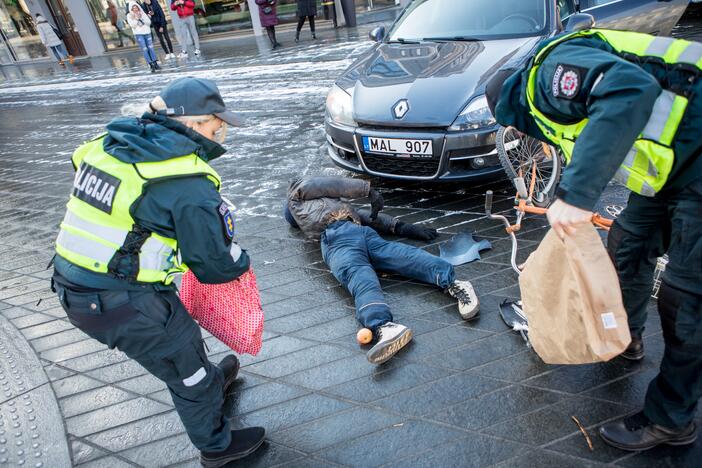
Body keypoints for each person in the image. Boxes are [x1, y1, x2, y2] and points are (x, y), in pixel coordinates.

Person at [485, 29, 702, 452]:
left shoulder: (544, 80)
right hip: (674, 165)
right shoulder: (553, 94)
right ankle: (625, 336)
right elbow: (611, 132)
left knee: (687, 299)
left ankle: (670, 419)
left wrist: (575, 196)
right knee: (628, 244)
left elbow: (631, 90)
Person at [51, 77, 265, 467]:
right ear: (193, 123)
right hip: (121, 300)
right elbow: (215, 265)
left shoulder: (107, 144)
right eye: (217, 123)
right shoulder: (185, 182)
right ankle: (217, 447)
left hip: (73, 282)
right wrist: (241, 262)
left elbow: (80, 163)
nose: (222, 131)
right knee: (184, 366)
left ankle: (208, 378)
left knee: (180, 339)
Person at [284, 176, 479, 364]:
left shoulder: (299, 190)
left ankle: (455, 284)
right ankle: (384, 326)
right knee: (362, 275)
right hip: (340, 238)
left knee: (399, 257)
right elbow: (357, 210)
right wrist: (369, 193)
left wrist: (401, 226)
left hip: (357, 233)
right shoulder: (301, 204)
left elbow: (331, 189)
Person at [126, 1, 160, 72]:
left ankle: (155, 63)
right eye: (133, 8)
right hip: (139, 34)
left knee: (151, 48)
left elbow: (149, 23)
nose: (135, 9)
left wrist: (142, 18)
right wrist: (136, 19)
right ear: (131, 9)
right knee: (144, 49)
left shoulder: (142, 13)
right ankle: (150, 64)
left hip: (147, 32)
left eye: (136, 7)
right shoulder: (129, 16)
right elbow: (132, 25)